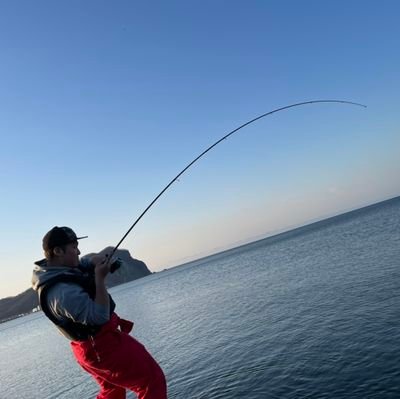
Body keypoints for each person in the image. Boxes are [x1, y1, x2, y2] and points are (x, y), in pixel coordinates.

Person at [32, 226, 167, 399]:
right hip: (101, 348)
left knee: (112, 391)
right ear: (58, 251)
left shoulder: (57, 270)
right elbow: (98, 316)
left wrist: (96, 261)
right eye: (74, 247)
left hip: (90, 349)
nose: (78, 251)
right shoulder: (61, 292)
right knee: (151, 381)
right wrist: (99, 279)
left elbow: (85, 262)